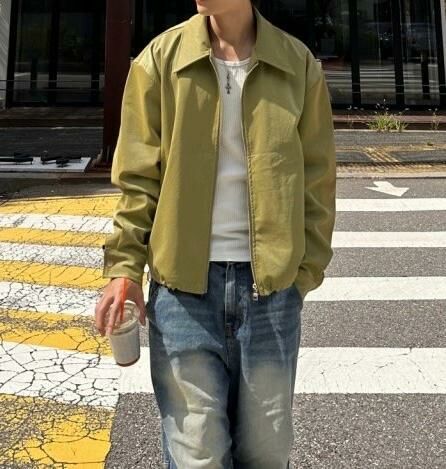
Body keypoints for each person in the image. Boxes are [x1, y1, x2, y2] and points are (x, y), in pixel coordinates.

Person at [95, 0, 336, 467]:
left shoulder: (297, 64)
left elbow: (317, 179)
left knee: (266, 454)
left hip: (271, 294)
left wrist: (302, 273)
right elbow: (138, 179)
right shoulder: (160, 60)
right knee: (196, 456)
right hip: (183, 293)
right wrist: (124, 267)